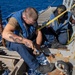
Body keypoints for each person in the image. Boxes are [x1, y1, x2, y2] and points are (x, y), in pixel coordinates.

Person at [2, 7, 54, 74]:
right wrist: (24, 41)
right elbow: (5, 34)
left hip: (27, 36)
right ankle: (38, 68)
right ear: (24, 17)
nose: (33, 24)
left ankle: (52, 43)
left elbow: (38, 32)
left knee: (45, 30)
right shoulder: (14, 20)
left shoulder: (32, 19)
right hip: (12, 42)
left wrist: (37, 47)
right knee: (20, 47)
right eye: (31, 22)